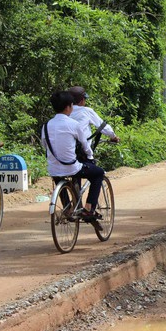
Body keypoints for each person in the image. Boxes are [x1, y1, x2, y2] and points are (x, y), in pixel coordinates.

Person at [41, 91, 105, 230]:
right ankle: (89, 208)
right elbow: (85, 145)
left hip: (53, 168)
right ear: (69, 107)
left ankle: (67, 207)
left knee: (58, 176)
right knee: (98, 173)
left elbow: (44, 145)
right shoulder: (73, 124)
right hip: (72, 167)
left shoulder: (45, 126)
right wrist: (90, 157)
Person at [67, 86, 119, 151]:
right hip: (80, 150)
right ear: (82, 100)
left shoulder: (63, 112)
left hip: (62, 149)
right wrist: (114, 137)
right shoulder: (86, 111)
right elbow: (103, 127)